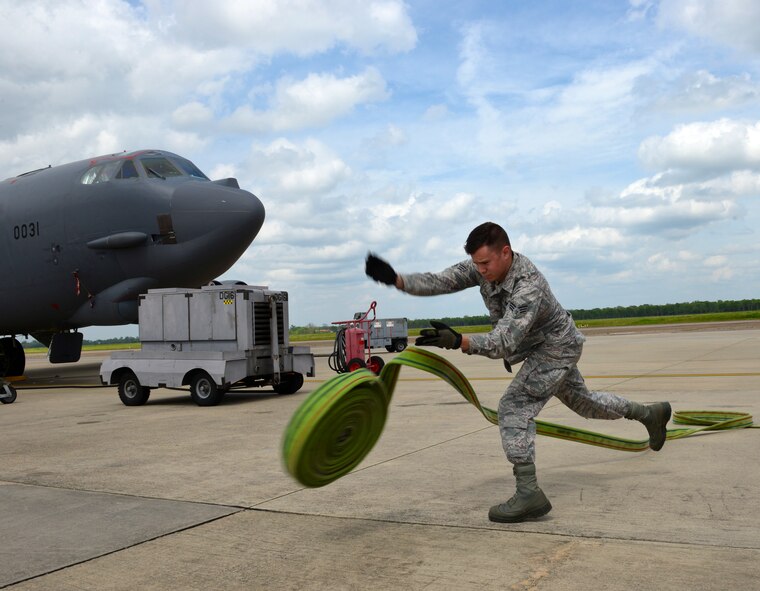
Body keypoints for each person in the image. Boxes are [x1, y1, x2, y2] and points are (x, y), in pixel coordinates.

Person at [365, 221, 671, 523]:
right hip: (540, 346)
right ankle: (649, 414)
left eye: (485, 263)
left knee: (514, 407)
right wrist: (396, 279)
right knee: (585, 404)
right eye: (476, 264)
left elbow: (503, 340)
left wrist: (460, 341)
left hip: (556, 346)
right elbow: (443, 280)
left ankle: (529, 493)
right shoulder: (483, 265)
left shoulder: (528, 285)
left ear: (506, 253)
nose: (480, 270)